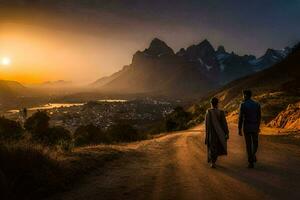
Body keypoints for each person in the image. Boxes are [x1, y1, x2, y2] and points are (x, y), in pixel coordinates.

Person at [238, 90, 261, 168]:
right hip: (255, 126)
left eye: (243, 95)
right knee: (255, 143)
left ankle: (251, 161)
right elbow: (259, 117)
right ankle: (253, 155)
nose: (243, 97)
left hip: (247, 127)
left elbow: (240, 118)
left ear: (245, 95)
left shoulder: (243, 105)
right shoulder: (257, 104)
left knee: (248, 145)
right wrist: (258, 127)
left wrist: (239, 129)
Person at [205, 97, 229, 168]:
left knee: (212, 147)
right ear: (217, 104)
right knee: (217, 147)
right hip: (220, 133)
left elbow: (207, 125)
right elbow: (224, 124)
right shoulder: (221, 112)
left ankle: (213, 162)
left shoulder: (208, 112)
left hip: (211, 133)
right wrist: (227, 133)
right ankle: (213, 161)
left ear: (211, 103)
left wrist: (206, 135)